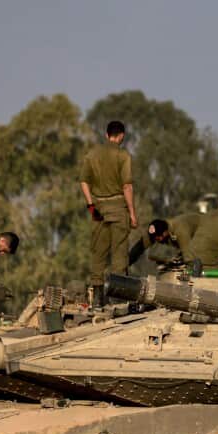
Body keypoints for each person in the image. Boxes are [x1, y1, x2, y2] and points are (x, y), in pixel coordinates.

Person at [80, 120, 137, 306]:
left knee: (98, 253)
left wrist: (90, 204)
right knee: (119, 254)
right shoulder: (123, 155)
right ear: (121, 136)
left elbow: (84, 182)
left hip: (98, 209)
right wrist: (132, 213)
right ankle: (118, 299)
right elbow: (127, 186)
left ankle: (97, 299)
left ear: (106, 135)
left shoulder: (91, 155)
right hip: (118, 209)